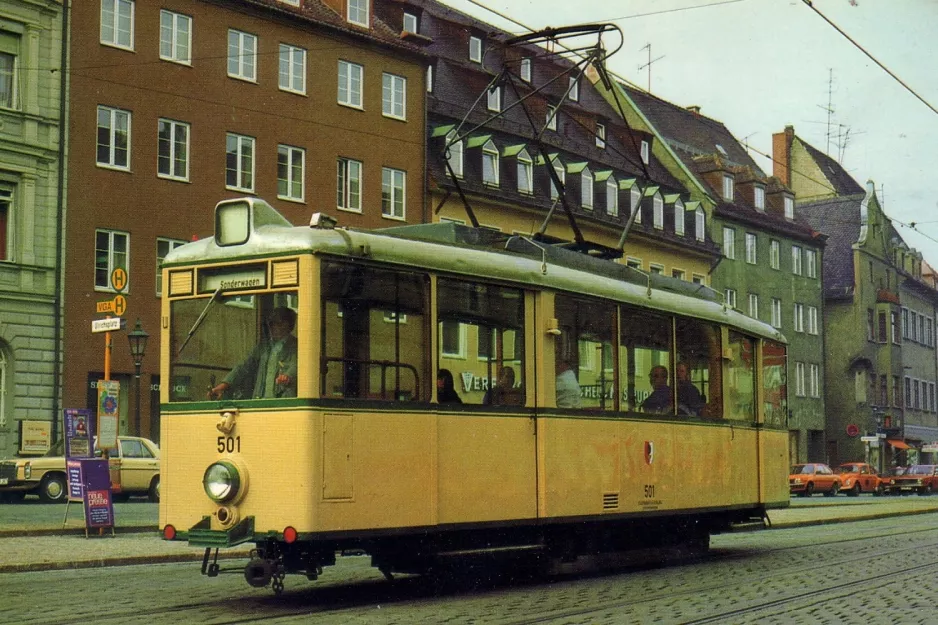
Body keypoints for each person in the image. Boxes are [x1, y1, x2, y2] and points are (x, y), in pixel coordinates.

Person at [208, 307, 298, 399]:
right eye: (270, 323)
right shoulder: (263, 347)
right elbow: (244, 366)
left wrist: (288, 377)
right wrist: (224, 385)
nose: (272, 327)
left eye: (276, 322)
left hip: (284, 405)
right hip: (260, 403)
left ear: (287, 324)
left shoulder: (297, 346)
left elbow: (297, 365)